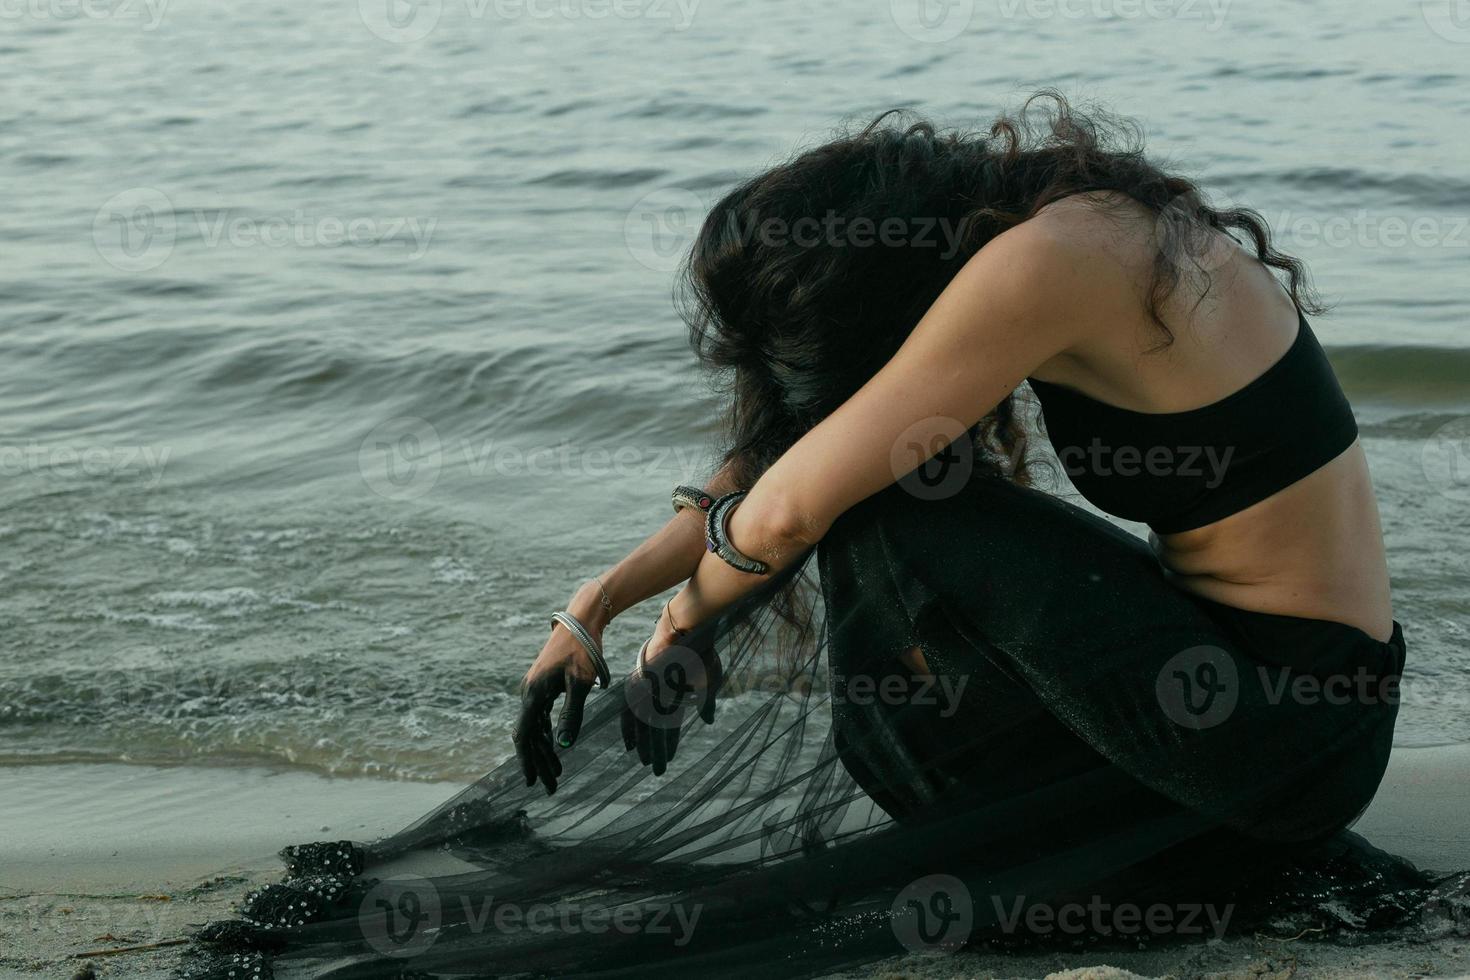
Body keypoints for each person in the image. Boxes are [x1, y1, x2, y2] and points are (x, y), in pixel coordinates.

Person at [182, 93, 1436, 980]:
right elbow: (792, 459)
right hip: (1271, 716)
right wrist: (600, 598)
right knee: (883, 488)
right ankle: (1127, 847)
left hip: (1281, 731)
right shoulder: (1069, 233)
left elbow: (792, 503)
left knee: (886, 503)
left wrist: (687, 625)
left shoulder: (1056, 261)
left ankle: (1075, 854)